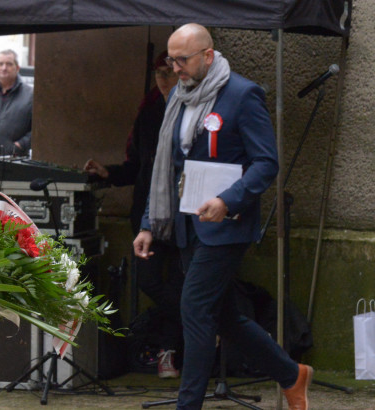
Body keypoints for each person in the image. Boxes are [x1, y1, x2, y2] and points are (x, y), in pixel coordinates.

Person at [133, 24, 311, 410]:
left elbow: (266, 163)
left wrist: (228, 201)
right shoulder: (178, 95)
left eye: (182, 60)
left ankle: (188, 404)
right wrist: (148, 224)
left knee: (195, 309)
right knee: (226, 317)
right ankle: (291, 374)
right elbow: (166, 169)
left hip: (226, 227)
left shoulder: (243, 94)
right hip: (187, 224)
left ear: (208, 55)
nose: (175, 68)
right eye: (171, 60)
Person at [84, 53, 183, 378]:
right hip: (147, 215)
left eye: (170, 72)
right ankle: (205, 322)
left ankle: (170, 350)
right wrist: (108, 173)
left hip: (183, 214)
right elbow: (138, 166)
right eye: (159, 73)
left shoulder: (191, 109)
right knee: (150, 281)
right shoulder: (149, 111)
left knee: (180, 282)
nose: (164, 79)